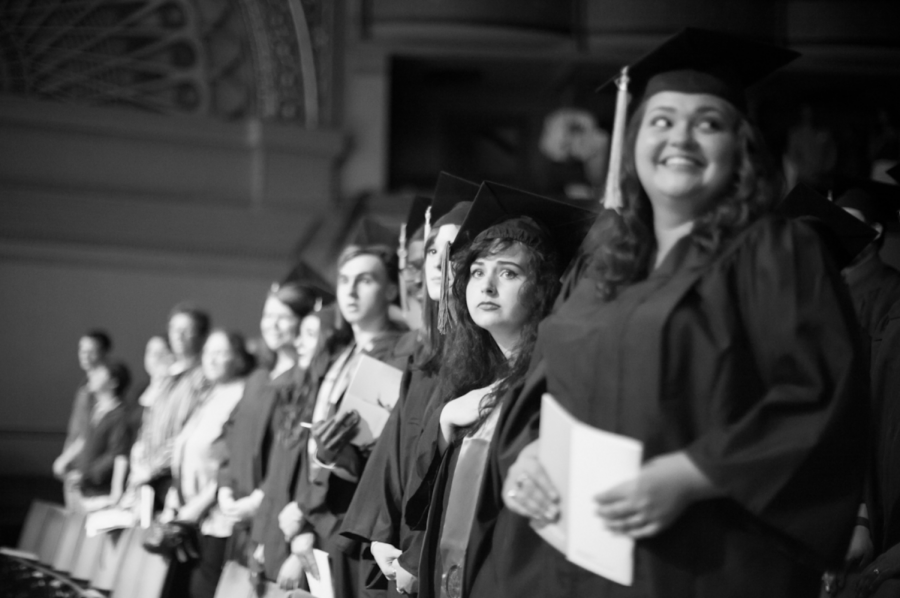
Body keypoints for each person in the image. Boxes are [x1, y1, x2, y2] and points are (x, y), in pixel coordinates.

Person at [487, 28, 867, 598]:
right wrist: (527, 458)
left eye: (708, 123)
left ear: (742, 147)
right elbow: (541, 385)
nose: (680, 137)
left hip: (693, 565)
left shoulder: (775, 253)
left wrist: (691, 475)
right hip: (562, 558)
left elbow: (820, 398)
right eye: (661, 120)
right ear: (635, 137)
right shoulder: (605, 260)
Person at [339, 173, 480, 597]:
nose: (435, 261)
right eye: (432, 248)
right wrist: (382, 536)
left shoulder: (483, 362)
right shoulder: (424, 360)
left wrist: (416, 553)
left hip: (436, 560)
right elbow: (392, 458)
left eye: (452, 250)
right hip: (396, 551)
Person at [280, 221, 409, 598]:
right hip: (320, 518)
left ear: (389, 290)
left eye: (365, 280)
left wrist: (306, 511)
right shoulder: (341, 355)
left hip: (351, 524)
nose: (350, 290)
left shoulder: (398, 355)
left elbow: (374, 457)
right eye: (345, 279)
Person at [217, 281, 320, 566]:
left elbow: (289, 457)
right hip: (236, 513)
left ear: (303, 322)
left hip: (270, 513)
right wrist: (225, 488)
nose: (272, 325)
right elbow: (230, 436)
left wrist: (257, 501)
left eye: (283, 317)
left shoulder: (304, 385)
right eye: (267, 316)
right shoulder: (257, 379)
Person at [250, 303, 351, 590]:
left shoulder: (335, 401)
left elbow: (326, 485)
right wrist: (261, 539)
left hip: (308, 540)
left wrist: (301, 546)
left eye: (309, 334)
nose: (298, 342)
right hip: (278, 535)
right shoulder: (300, 394)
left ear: (331, 338)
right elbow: (276, 478)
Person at [164, 329, 253, 598]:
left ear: (238, 359)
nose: (211, 359)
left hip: (215, 519)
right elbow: (183, 451)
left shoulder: (243, 395)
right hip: (188, 516)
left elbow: (231, 460)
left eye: (221, 353)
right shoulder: (207, 394)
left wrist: (196, 507)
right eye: (208, 353)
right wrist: (173, 501)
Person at [129, 303, 210, 509]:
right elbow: (149, 425)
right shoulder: (166, 376)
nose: (178, 335)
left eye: (186, 330)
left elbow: (191, 434)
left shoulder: (204, 379)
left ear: (201, 336)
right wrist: (141, 462)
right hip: (149, 480)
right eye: (174, 329)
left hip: (178, 479)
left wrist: (153, 468)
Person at [66, 361, 133, 504]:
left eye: (100, 374)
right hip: (83, 485)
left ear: (113, 382)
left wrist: (116, 491)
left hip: (101, 490)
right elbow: (84, 440)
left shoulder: (119, 415)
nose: (93, 376)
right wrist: (65, 461)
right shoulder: (95, 408)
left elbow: (119, 455)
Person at [53, 329, 113, 488]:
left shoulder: (102, 388)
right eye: (82, 350)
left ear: (103, 353)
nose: (84, 355)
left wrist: (64, 459)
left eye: (91, 351)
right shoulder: (86, 384)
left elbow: (89, 433)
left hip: (88, 467)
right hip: (76, 461)